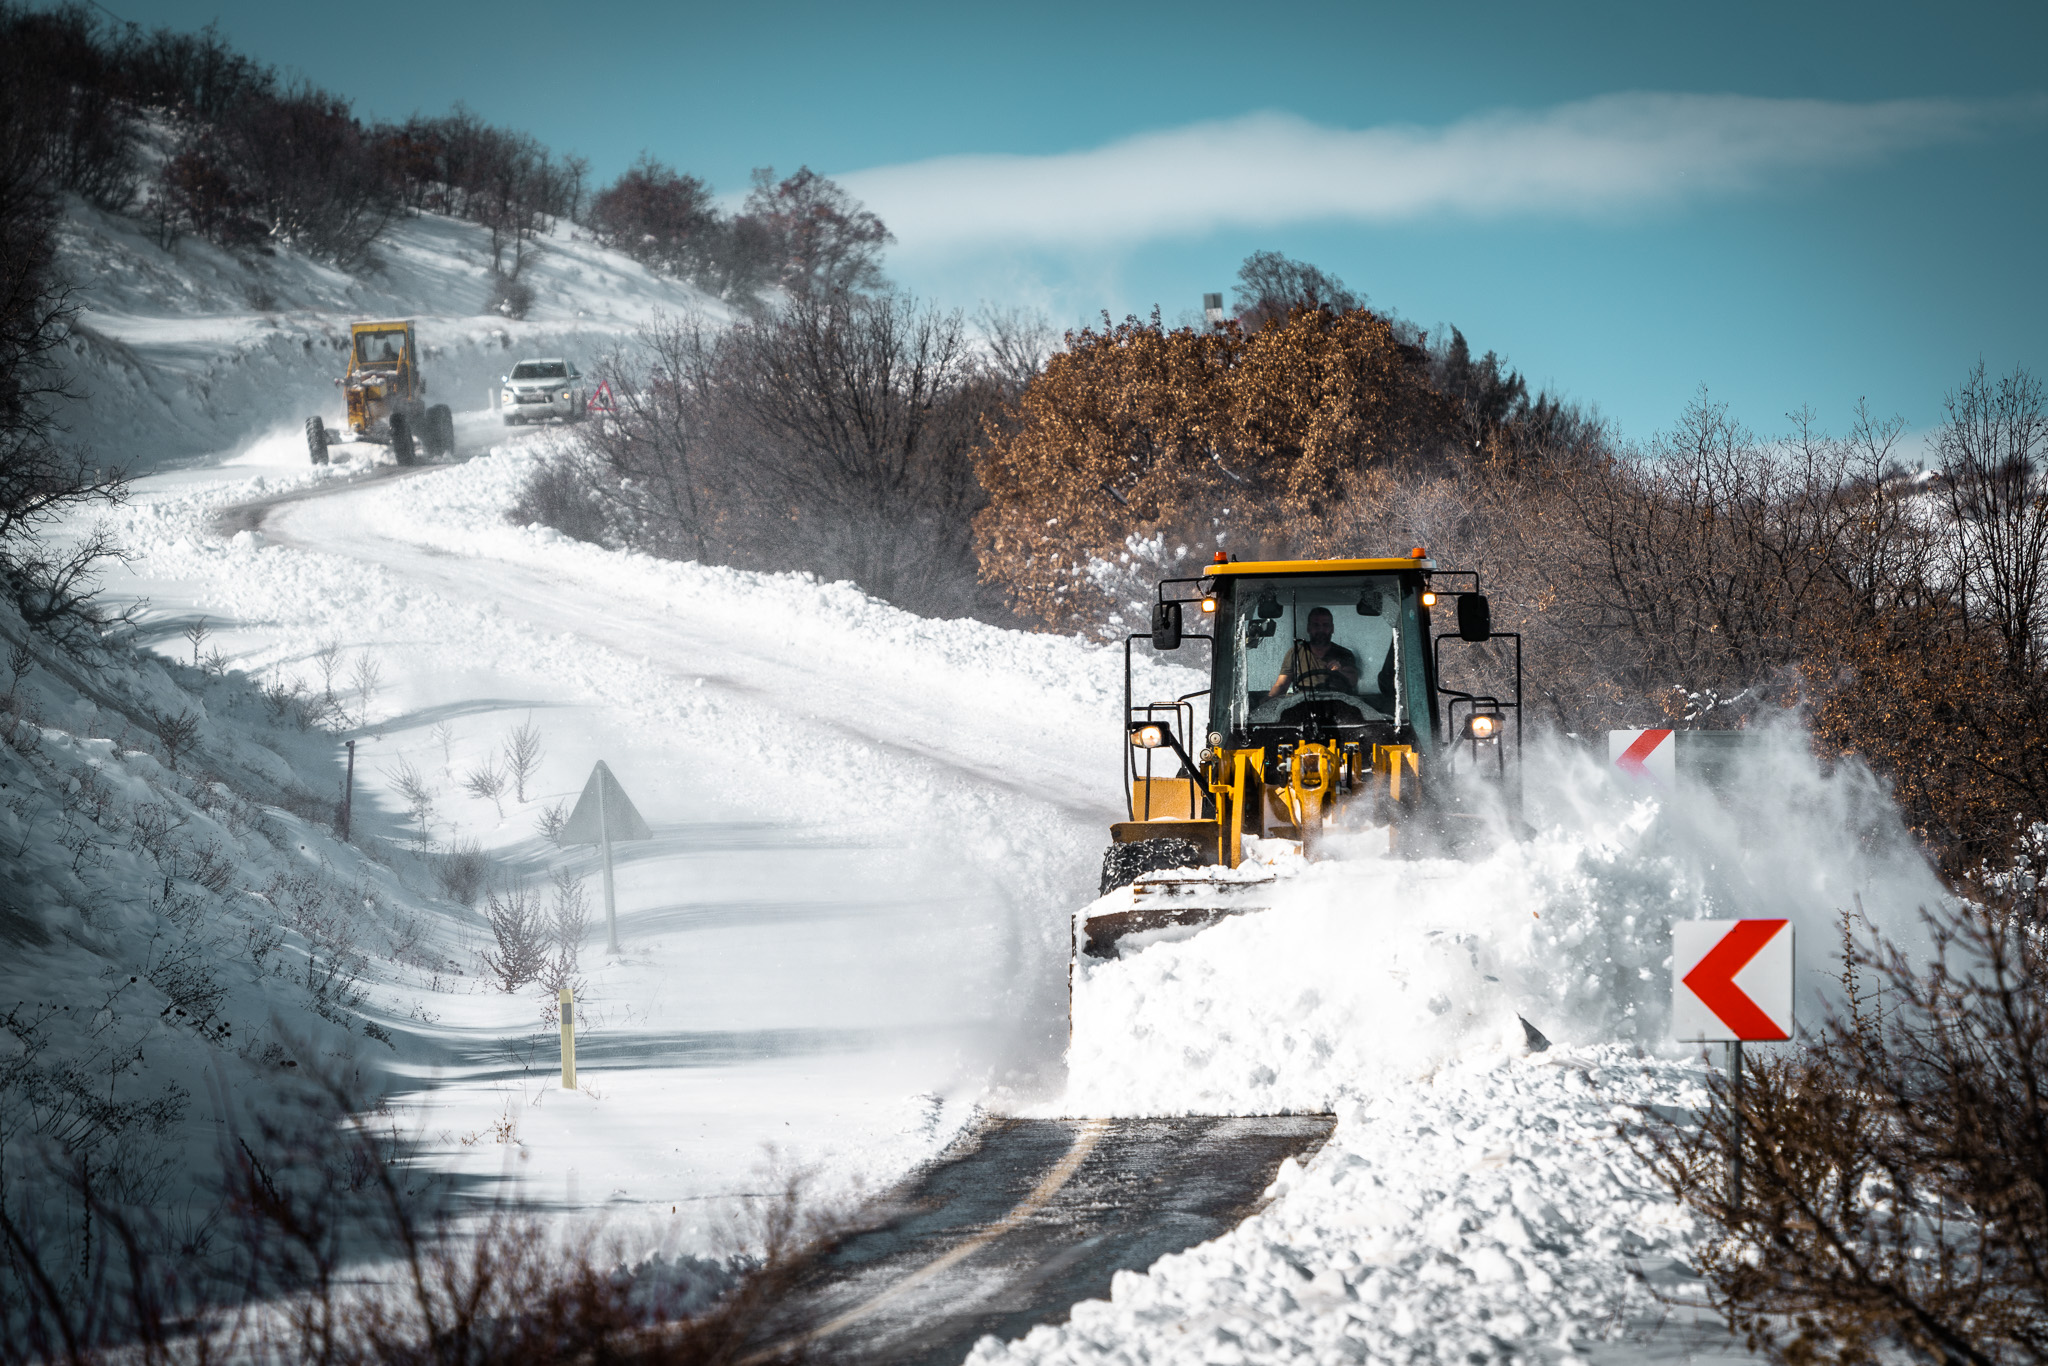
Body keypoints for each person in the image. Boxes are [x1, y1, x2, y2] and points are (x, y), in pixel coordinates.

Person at [1268, 607, 1360, 696]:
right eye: (1316, 625)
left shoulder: (1344, 654)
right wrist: (1268, 700)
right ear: (1308, 628)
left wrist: (1339, 671)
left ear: (1332, 628)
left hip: (1336, 703)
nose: (1321, 629)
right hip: (1303, 703)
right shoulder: (1295, 653)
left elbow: (1353, 681)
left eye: (1325, 625)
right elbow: (1281, 685)